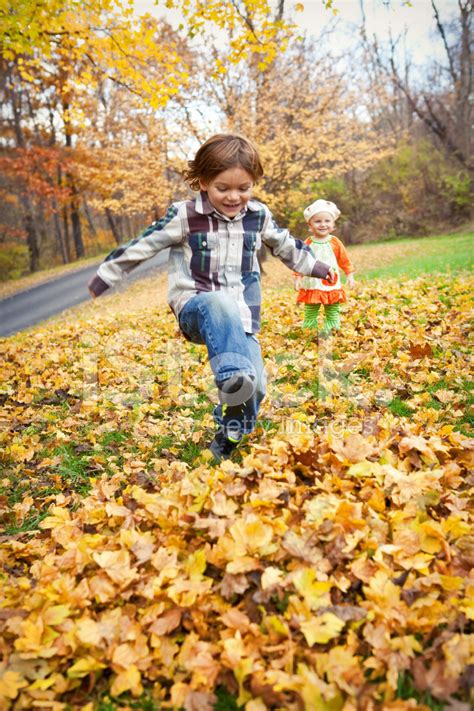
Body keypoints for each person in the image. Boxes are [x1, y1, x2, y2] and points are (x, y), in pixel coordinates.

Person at [88, 134, 335, 461]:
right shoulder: (185, 216)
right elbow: (143, 245)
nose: (235, 196)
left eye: (243, 188)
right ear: (203, 182)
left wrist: (317, 267)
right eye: (223, 188)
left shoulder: (258, 216)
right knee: (219, 304)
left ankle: (232, 430)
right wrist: (106, 275)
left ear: (253, 183)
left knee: (256, 385)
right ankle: (233, 377)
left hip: (242, 318)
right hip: (196, 307)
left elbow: (287, 246)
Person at [294, 199, 355, 335]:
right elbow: (300, 261)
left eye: (327, 221)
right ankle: (310, 327)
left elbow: (344, 259)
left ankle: (332, 326)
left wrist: (349, 274)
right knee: (311, 308)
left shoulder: (334, 242)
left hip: (330, 281)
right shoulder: (308, 243)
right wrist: (298, 277)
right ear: (310, 225)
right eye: (318, 221)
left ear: (333, 224)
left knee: (332, 307)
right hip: (312, 283)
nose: (323, 224)